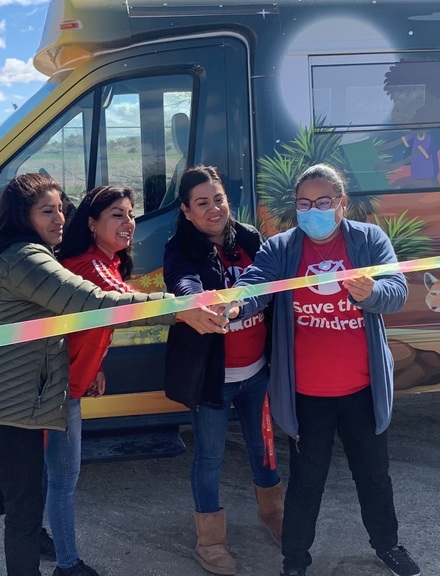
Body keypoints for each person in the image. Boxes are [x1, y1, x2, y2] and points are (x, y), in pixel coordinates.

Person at [0, 172, 227, 576]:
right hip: (8, 405)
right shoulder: (26, 259)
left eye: (61, 209)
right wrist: (177, 308)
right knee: (24, 511)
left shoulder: (11, 252)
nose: (59, 218)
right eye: (47, 211)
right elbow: (94, 303)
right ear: (22, 215)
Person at [230, 164, 421, 576]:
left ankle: (387, 545)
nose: (312, 210)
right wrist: (235, 304)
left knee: (374, 477)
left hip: (362, 391)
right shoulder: (281, 248)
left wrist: (373, 291)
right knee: (306, 482)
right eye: (303, 203)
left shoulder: (369, 240)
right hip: (308, 395)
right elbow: (256, 285)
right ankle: (295, 561)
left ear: (342, 203)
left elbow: (396, 292)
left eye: (322, 202)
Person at [163, 166, 283, 576]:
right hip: (214, 379)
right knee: (210, 457)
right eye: (202, 203)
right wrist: (197, 301)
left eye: (218, 199)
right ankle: (210, 541)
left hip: (257, 373)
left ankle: (274, 513)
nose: (213, 209)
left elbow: (270, 280)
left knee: (264, 448)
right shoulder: (179, 248)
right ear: (186, 210)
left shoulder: (249, 237)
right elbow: (183, 281)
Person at [38, 184, 147, 576]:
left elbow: (83, 326)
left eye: (130, 214)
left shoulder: (103, 261)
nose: (128, 222)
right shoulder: (90, 266)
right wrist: (188, 308)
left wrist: (95, 363)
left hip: (62, 384)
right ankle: (67, 564)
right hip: (59, 390)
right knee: (63, 480)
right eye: (117, 214)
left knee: (48, 471)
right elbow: (120, 301)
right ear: (91, 223)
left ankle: (36, 535)